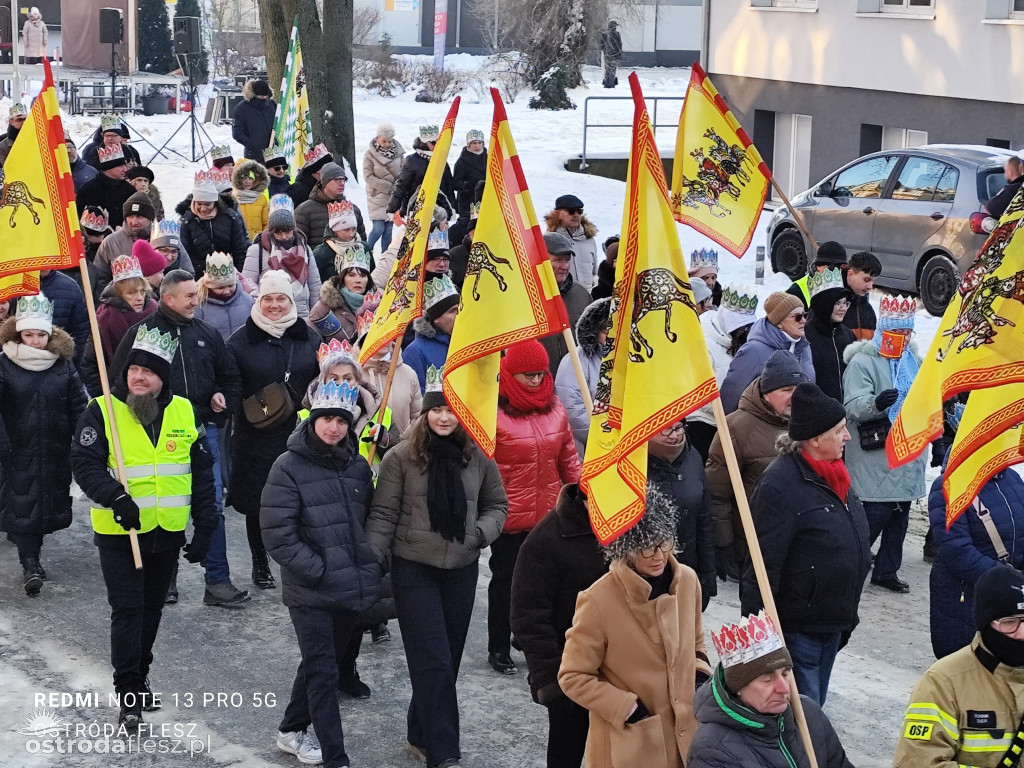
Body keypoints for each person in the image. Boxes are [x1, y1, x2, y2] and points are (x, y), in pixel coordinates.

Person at [71, 326, 218, 730]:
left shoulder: (185, 411)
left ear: (162, 379)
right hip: (121, 532)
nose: (139, 377)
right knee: (127, 610)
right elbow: (84, 463)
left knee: (151, 609)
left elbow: (203, 474)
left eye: (149, 372)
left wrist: (206, 526)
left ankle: (141, 672)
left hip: (166, 533)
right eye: (134, 369)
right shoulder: (102, 410)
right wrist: (115, 497)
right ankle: (129, 692)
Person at [366, 368, 508, 768]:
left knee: (448, 659)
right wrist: (371, 564)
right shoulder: (400, 459)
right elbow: (382, 515)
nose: (445, 417)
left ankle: (419, 733)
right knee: (433, 661)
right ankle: (444, 753)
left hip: (461, 570)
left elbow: (498, 504)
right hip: (415, 571)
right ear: (425, 413)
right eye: (437, 410)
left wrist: (479, 534)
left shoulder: (477, 455)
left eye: (452, 410)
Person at [101, 270, 246, 607]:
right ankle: (164, 579)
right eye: (190, 296)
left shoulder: (206, 334)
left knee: (209, 506)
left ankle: (218, 580)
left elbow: (230, 376)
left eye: (196, 294)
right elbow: (116, 380)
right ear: (168, 299)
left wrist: (224, 401)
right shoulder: (141, 333)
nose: (197, 300)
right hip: (151, 432)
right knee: (160, 502)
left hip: (201, 430)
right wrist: (134, 413)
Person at [261, 377, 381, 768]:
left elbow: (369, 522)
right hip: (311, 590)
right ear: (312, 419)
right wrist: (321, 570)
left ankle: (290, 730)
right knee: (323, 671)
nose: (334, 427)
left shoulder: (358, 466)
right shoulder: (288, 467)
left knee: (320, 662)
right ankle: (335, 755)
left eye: (342, 420)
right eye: (326, 418)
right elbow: (278, 536)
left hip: (349, 588)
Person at [559, 484, 712, 768]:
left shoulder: (688, 581)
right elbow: (572, 675)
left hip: (686, 734)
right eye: (645, 547)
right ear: (625, 547)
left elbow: (697, 643)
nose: (658, 555)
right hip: (630, 744)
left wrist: (700, 677)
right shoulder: (598, 600)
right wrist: (625, 707)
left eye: (664, 542)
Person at [741, 382, 870, 705]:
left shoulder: (835, 475)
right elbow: (761, 566)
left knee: (813, 709)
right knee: (802, 718)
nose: (848, 437)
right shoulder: (780, 485)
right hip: (800, 630)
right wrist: (761, 639)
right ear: (814, 439)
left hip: (833, 623)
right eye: (840, 430)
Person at [488, 340, 581, 675]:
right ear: (511, 373)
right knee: (507, 582)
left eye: (540, 374)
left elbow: (568, 457)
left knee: (545, 585)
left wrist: (580, 494)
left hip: (549, 514)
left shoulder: (555, 409)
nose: (535, 380)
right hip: (510, 514)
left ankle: (528, 640)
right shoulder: (493, 411)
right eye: (528, 375)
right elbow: (485, 467)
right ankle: (498, 644)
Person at [227, 270, 321, 592]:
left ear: (291, 300)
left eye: (281, 298)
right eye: (268, 298)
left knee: (303, 501)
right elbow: (232, 387)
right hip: (256, 437)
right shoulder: (239, 342)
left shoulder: (310, 338)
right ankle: (259, 561)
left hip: (302, 435)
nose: (275, 305)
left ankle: (300, 560)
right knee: (259, 502)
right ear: (259, 300)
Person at [510, 483, 607, 768]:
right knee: (567, 752)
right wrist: (552, 681)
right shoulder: (546, 539)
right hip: (573, 674)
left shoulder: (635, 528)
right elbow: (528, 614)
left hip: (625, 672)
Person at [0, 293, 87, 596]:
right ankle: (30, 563)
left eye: (40, 334)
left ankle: (32, 556)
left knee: (43, 504)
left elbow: (78, 406)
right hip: (17, 450)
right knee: (23, 506)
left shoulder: (62, 366)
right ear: (18, 333)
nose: (35, 341)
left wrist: (86, 440)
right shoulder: (4, 364)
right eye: (29, 334)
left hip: (54, 448)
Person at [895, 565, 1024, 768]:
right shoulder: (942, 682)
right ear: (985, 623)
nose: (1022, 633)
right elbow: (917, 763)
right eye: (1010, 623)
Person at [688, 613, 855, 768]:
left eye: (785, 673)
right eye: (768, 680)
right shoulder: (712, 748)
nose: (784, 688)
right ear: (738, 686)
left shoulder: (808, 713)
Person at [843, 295, 925, 595]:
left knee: (900, 516)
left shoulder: (912, 360)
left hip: (905, 450)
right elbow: (852, 405)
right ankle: (851, 568)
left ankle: (887, 570)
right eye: (898, 333)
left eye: (907, 333)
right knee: (874, 517)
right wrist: (876, 403)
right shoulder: (863, 361)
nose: (903, 339)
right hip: (876, 454)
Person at [928, 408, 1024, 658]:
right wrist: (1005, 580)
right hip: (965, 597)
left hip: (1007, 597)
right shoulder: (949, 486)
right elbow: (956, 550)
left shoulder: (1011, 479)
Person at [706, 351, 807, 586]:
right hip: (751, 546)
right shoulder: (736, 427)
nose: (795, 397)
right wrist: (724, 544)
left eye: (798, 389)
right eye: (786, 390)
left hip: (795, 542)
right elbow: (717, 492)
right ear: (766, 392)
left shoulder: (807, 425)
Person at [648, 419, 716, 610]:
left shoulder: (692, 457)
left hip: (687, 570)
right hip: (647, 578)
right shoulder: (630, 462)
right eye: (666, 430)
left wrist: (708, 577)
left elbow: (704, 522)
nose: (675, 434)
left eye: (679, 427)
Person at [689, 285, 758, 462]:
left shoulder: (742, 341)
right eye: (740, 327)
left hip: (731, 423)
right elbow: (697, 391)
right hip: (702, 423)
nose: (744, 331)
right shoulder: (701, 342)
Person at [720, 292, 814, 413]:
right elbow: (731, 397)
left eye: (804, 315)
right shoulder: (754, 350)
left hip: (797, 426)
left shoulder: (803, 347)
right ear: (779, 322)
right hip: (761, 427)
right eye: (797, 317)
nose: (804, 321)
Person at [243, 195, 322, 319]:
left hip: (301, 314)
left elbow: (314, 285)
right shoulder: (257, 250)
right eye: (278, 232)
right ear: (271, 231)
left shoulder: (305, 249)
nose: (284, 236)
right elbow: (248, 285)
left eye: (288, 231)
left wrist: (316, 316)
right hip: (270, 315)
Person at [556, 298, 610, 458]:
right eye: (606, 332)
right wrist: (604, 436)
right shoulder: (576, 360)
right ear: (595, 332)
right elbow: (572, 407)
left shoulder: (634, 356)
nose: (612, 337)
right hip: (592, 448)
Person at [92, 255, 159, 384]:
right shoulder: (106, 318)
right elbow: (91, 362)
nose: (140, 297)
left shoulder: (155, 311)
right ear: (119, 294)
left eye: (142, 291)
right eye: (132, 293)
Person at [539, 232, 592, 376]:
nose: (564, 266)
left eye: (567, 260)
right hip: (538, 384)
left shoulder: (581, 295)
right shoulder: (526, 295)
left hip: (576, 384)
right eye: (558, 260)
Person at [178, 171, 251, 275]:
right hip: (200, 274)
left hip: (228, 271)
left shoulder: (230, 218)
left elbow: (240, 250)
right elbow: (186, 252)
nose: (203, 209)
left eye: (207, 204)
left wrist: (239, 274)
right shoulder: (187, 221)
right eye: (199, 204)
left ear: (215, 202)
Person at [803, 267, 856, 403]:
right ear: (824, 305)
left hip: (845, 411)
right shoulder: (805, 335)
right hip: (816, 412)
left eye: (845, 303)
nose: (843, 308)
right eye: (837, 303)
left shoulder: (847, 334)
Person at [404, 275, 460, 392]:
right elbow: (416, 397)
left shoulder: (467, 343)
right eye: (452, 311)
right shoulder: (415, 352)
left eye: (460, 309)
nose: (458, 314)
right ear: (436, 318)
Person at [387, 124, 456, 219]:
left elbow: (448, 187)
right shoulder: (412, 161)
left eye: (438, 142)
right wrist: (392, 209)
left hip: (440, 210)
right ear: (424, 143)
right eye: (433, 142)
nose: (436, 145)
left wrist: (452, 208)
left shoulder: (442, 160)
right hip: (416, 208)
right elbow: (401, 185)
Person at [309, 245, 375, 344]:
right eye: (351, 275)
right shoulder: (325, 307)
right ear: (343, 279)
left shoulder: (378, 306)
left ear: (368, 279)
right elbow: (311, 341)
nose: (358, 280)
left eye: (363, 276)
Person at [296, 162, 366, 249]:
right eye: (337, 179)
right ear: (325, 182)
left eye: (344, 179)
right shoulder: (304, 210)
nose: (342, 183)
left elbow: (362, 242)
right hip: (318, 260)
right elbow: (299, 245)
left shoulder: (352, 209)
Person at [35, 268, 91, 373]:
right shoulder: (14, 283)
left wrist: (74, 367)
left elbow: (81, 332)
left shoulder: (70, 286)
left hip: (60, 367)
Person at [362, 123, 405, 254]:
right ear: (377, 139)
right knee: (378, 228)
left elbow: (404, 172)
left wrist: (399, 186)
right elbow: (368, 176)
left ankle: (384, 258)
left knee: (388, 230)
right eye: (384, 141)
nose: (387, 144)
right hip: (377, 196)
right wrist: (387, 186)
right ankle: (366, 251)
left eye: (389, 141)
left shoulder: (399, 154)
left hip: (393, 197)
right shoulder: (369, 154)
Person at [195, 252, 255, 341]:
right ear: (210, 286)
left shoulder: (247, 300)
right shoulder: (199, 305)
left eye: (231, 285)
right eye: (220, 287)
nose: (227, 291)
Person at [544, 195, 599, 293]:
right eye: (571, 211)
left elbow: (595, 271)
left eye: (579, 211)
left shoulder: (589, 239)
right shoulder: (547, 241)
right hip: (561, 297)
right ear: (557, 214)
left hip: (587, 298)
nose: (576, 215)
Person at [77, 143, 134, 230]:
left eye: (125, 165)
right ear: (108, 168)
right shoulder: (88, 190)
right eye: (120, 166)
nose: (125, 169)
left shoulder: (129, 190)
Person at [312, 200, 371, 282]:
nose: (351, 234)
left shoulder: (364, 248)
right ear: (335, 230)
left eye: (354, 229)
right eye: (346, 230)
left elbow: (372, 274)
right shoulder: (322, 253)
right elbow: (314, 279)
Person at [449, 129, 487, 247]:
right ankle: (456, 246)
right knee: (466, 226)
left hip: (485, 200)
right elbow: (455, 183)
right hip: (467, 201)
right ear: (469, 144)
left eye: (479, 143)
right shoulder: (461, 162)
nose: (477, 146)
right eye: (474, 143)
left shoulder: (489, 159)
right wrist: (468, 185)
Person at [786, 240, 847, 308]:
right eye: (833, 268)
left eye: (842, 268)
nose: (838, 272)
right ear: (818, 267)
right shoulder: (796, 291)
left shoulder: (847, 287)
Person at [231, 79, 277, 164]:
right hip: (253, 155)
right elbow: (237, 133)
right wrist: (253, 146)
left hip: (274, 152)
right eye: (260, 97)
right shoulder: (242, 109)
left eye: (265, 97)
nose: (263, 99)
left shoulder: (271, 105)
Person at [843, 250, 882, 341]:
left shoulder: (867, 310)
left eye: (873, 281)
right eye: (866, 280)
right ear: (850, 274)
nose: (870, 287)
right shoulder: (835, 305)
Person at [287, 143, 334, 210]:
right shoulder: (297, 190)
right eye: (329, 167)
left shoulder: (330, 187)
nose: (332, 170)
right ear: (318, 170)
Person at [231, 159, 270, 241]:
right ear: (237, 178)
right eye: (244, 178)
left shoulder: (261, 199)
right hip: (237, 243)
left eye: (250, 178)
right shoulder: (232, 198)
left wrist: (263, 240)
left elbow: (266, 223)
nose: (247, 182)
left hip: (257, 242)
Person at [985, 155, 1024, 220]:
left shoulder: (1011, 190)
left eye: (1005, 171)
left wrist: (987, 205)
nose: (1004, 174)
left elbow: (992, 207)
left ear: (1010, 172)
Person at [65, 130, 98, 194]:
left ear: (75, 149)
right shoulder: (53, 173)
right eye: (64, 148)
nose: (68, 151)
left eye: (70, 147)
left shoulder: (91, 171)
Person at [0, 103, 26, 169]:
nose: (23, 123)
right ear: (11, 121)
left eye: (25, 119)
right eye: (19, 120)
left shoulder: (34, 141)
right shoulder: (3, 147)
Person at [599, 20, 622, 89]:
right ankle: (611, 84)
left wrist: (605, 51)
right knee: (613, 70)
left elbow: (601, 45)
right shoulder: (616, 34)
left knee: (607, 70)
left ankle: (606, 83)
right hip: (615, 55)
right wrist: (619, 53)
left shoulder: (604, 34)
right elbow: (619, 45)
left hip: (606, 55)